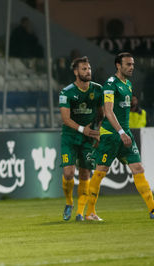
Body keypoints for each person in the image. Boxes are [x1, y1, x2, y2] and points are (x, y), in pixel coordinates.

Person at [86, 52, 154, 221]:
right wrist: (121, 132)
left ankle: (153, 209)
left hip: (125, 133)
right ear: (118, 65)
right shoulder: (110, 84)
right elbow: (108, 111)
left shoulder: (128, 85)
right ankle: (90, 212)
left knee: (138, 169)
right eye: (128, 64)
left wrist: (125, 131)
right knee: (101, 171)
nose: (132, 67)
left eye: (133, 64)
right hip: (111, 134)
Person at [59, 56, 103, 222]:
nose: (88, 71)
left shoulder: (98, 90)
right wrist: (82, 129)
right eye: (84, 69)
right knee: (69, 173)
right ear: (76, 72)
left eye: (89, 68)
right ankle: (69, 202)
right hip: (70, 136)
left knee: (85, 172)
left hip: (88, 137)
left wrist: (96, 131)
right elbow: (66, 119)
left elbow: (101, 114)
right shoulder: (67, 92)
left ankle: (80, 212)